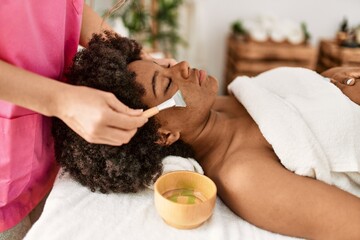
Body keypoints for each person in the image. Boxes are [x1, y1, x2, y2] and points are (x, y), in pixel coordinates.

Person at [52, 31, 360, 240]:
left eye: (165, 66)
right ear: (163, 135)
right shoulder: (244, 175)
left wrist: (336, 80)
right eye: (167, 84)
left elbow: (312, 98)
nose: (183, 66)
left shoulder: (233, 100)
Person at [0, 1, 173, 238]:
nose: (182, 68)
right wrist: (61, 101)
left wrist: (134, 54)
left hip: (47, 158)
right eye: (165, 83)